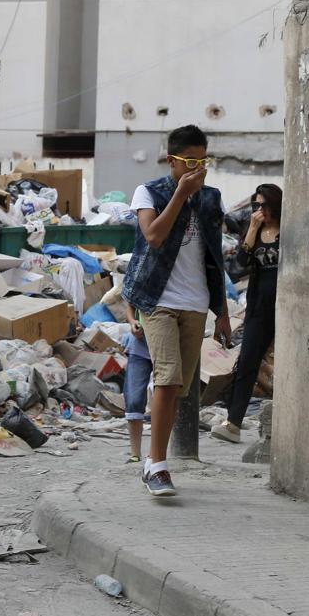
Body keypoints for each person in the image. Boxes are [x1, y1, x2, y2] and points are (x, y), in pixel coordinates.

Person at [122, 124, 231, 497]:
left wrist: (223, 312)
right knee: (167, 379)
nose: (197, 169)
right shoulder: (150, 191)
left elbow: (214, 258)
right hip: (157, 299)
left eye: (203, 161)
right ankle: (159, 466)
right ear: (172, 161)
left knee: (176, 388)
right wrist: (181, 195)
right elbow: (152, 237)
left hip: (195, 302)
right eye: (190, 161)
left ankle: (153, 462)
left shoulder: (212, 198)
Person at [212, 184, 281, 443]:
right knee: (247, 363)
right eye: (256, 206)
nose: (260, 211)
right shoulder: (255, 232)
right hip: (259, 307)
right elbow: (238, 269)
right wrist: (252, 229)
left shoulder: (290, 231)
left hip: (287, 307)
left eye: (265, 205)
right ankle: (233, 423)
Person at [123, 304, 153, 463]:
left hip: (167, 346)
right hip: (140, 346)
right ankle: (135, 454)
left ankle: (156, 454)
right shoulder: (142, 280)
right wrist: (133, 321)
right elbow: (130, 304)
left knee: (165, 401)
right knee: (134, 400)